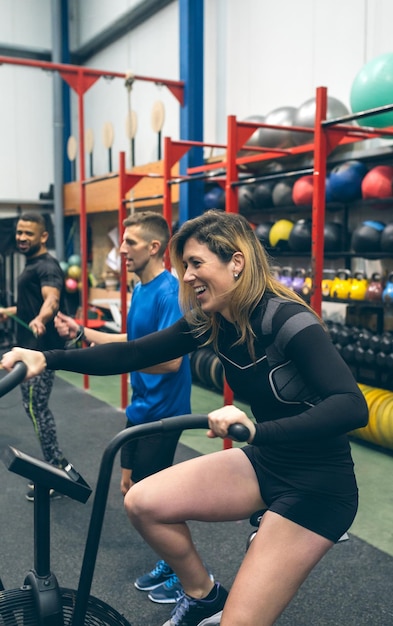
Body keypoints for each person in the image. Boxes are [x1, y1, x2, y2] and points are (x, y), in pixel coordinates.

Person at [1, 209, 368, 626]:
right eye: (184, 266)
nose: (188, 276)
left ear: (236, 262)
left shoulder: (287, 320)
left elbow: (351, 405)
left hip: (318, 485)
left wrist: (257, 430)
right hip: (268, 461)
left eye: (196, 264)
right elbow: (136, 352)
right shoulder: (213, 320)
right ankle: (203, 595)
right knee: (142, 501)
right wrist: (45, 358)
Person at [54, 211, 192, 604]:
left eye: (129, 242)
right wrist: (83, 332)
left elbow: (169, 360)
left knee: (157, 500)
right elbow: (133, 341)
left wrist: (116, 360)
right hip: (140, 407)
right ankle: (170, 561)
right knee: (131, 489)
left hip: (165, 412)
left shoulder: (171, 292)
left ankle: (186, 576)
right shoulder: (141, 288)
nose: (121, 249)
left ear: (154, 247)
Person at [0, 212, 72, 501]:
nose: (21, 238)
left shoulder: (47, 266)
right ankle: (57, 466)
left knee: (37, 409)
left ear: (43, 237)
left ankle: (57, 472)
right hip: (28, 350)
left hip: (39, 354)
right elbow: (31, 305)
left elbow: (51, 299)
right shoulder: (31, 263)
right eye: (19, 232)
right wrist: (9, 312)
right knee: (34, 410)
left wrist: (42, 318)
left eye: (28, 233)